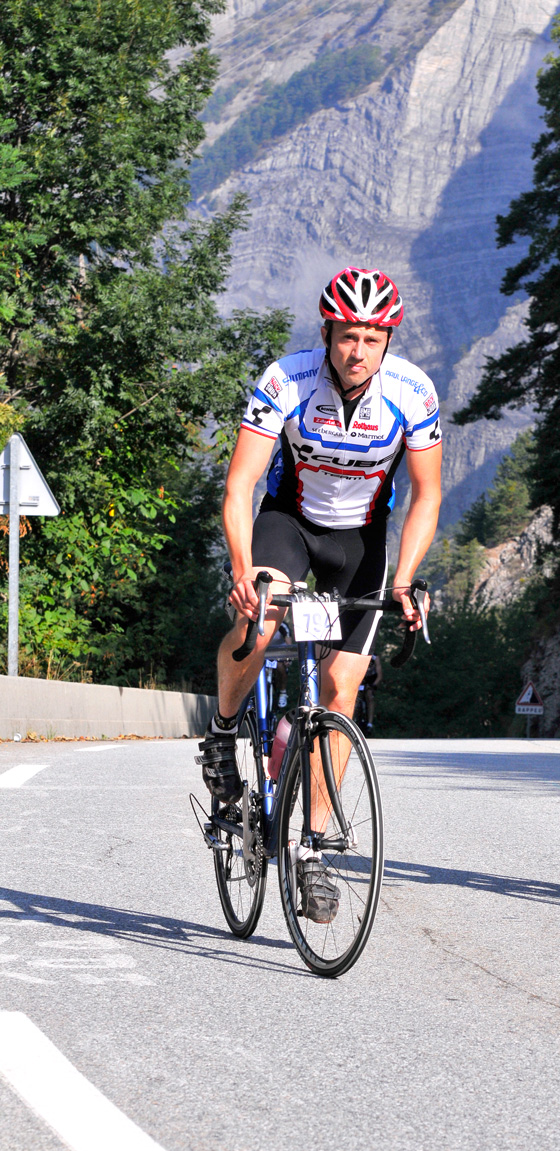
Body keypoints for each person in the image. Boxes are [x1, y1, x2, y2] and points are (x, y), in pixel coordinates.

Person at [197, 267, 442, 920]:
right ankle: (223, 732)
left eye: (371, 339)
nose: (357, 351)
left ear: (387, 341)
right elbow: (240, 484)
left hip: (361, 542)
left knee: (342, 687)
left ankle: (311, 846)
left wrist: (404, 579)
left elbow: (427, 495)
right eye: (346, 337)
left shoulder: (413, 392)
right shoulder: (287, 380)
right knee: (261, 621)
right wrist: (243, 569)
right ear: (327, 334)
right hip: (289, 524)